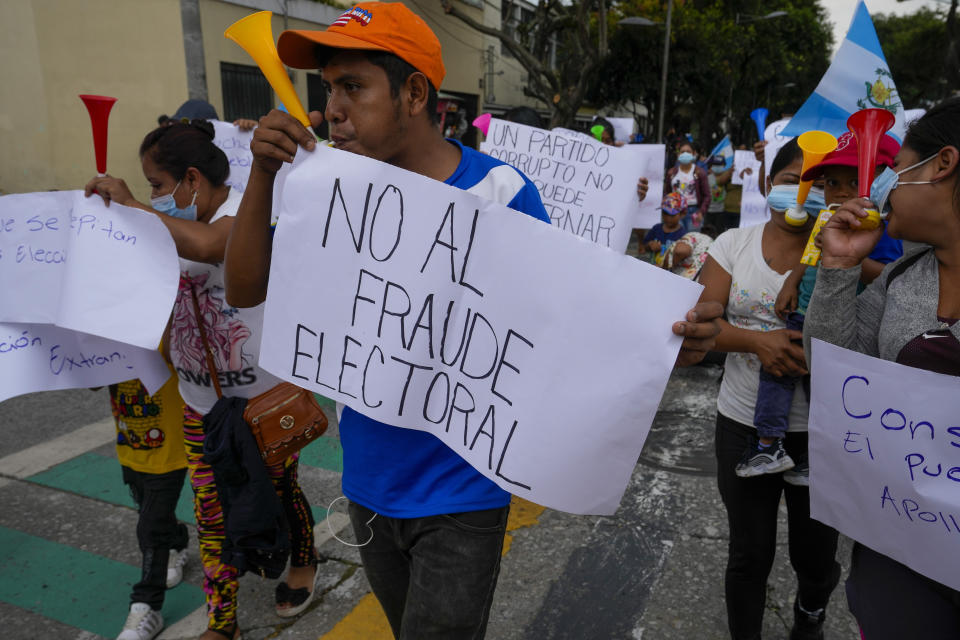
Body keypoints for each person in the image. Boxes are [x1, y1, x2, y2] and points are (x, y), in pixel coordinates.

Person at [221, 3, 723, 638]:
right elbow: (243, 288)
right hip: (369, 486)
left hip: (463, 496)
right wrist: (263, 175)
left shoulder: (501, 193)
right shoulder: (326, 189)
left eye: (353, 87)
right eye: (329, 90)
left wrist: (663, 340)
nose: (333, 109)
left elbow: (564, 316)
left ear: (413, 93)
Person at [85, 121, 318, 640]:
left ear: (192, 179)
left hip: (265, 401)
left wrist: (132, 208)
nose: (152, 197)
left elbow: (213, 246)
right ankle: (223, 622)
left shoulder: (245, 213)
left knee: (279, 491)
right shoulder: (156, 227)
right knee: (211, 512)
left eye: (156, 185)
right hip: (200, 404)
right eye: (146, 187)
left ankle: (303, 559)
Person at [805, 98, 960, 638]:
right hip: (903, 548)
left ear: (942, 165)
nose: (883, 187)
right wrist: (840, 266)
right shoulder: (902, 276)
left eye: (897, 170)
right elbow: (833, 372)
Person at [698, 138, 841, 640]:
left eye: (821, 184)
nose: (805, 193)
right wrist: (759, 343)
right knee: (748, 554)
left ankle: (810, 612)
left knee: (815, 554)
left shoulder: (844, 251)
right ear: (767, 183)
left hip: (820, 434)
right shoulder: (732, 245)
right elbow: (702, 326)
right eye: (791, 181)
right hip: (742, 426)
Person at [110, 370, 189, 640]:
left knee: (150, 527)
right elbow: (94, 382)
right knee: (150, 512)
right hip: (131, 446)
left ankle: (147, 605)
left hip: (170, 449)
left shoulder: (159, 328)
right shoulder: (102, 334)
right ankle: (176, 543)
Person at [666, 140, 711, 231]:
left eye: (688, 152)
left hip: (694, 212)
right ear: (678, 154)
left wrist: (701, 212)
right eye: (682, 152)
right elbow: (667, 193)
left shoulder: (699, 173)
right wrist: (668, 211)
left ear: (694, 154)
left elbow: (707, 196)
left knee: (692, 241)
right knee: (677, 242)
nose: (685, 154)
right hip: (676, 211)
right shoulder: (671, 173)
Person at [644, 192, 688, 262]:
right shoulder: (656, 229)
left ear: (682, 214)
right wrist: (650, 245)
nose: (668, 218)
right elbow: (645, 246)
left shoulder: (683, 235)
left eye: (672, 215)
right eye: (665, 213)